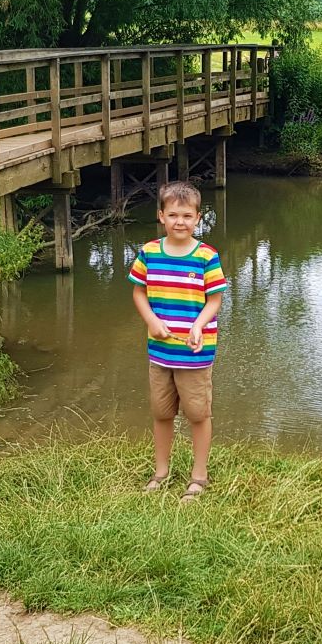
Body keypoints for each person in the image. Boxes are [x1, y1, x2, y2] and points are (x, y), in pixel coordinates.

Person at [128, 180, 226, 501]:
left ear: (198, 218)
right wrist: (152, 321)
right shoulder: (148, 253)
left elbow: (214, 300)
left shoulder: (207, 256)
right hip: (160, 352)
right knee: (161, 412)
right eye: (173, 215)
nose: (179, 222)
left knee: (198, 414)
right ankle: (161, 471)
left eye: (186, 215)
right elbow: (138, 292)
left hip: (195, 354)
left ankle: (199, 476)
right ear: (161, 216)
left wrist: (199, 325)